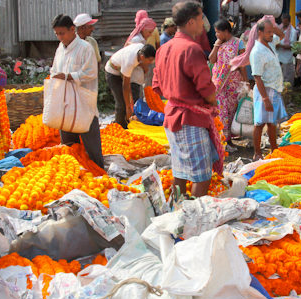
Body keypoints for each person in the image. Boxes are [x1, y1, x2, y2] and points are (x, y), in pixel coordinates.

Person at [153, 1, 224, 197]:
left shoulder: (164, 49)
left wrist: (176, 90)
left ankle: (177, 208)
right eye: (202, 17)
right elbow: (207, 91)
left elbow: (157, 87)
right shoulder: (191, 49)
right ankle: (194, 216)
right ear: (192, 22)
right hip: (190, 119)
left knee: (180, 171)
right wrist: (213, 101)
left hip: (172, 116)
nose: (204, 23)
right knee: (202, 176)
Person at [50, 14, 103, 168]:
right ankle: (73, 172)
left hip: (83, 102)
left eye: (62, 33)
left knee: (91, 143)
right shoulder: (60, 48)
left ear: (72, 29)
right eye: (57, 34)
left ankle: (98, 172)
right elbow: (54, 68)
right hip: (65, 102)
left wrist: (69, 76)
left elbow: (91, 73)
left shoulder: (85, 48)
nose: (60, 37)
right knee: (68, 144)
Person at [250, 19, 287, 161]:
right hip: (264, 90)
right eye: (268, 32)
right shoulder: (257, 51)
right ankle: (257, 153)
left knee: (272, 123)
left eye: (272, 32)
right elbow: (257, 77)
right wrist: (265, 99)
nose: (271, 34)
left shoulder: (270, 43)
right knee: (260, 123)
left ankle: (274, 149)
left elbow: (282, 36)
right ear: (259, 32)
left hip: (274, 88)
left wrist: (273, 26)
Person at [209, 19, 247, 149]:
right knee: (221, 111)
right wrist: (216, 45)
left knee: (231, 111)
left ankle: (228, 140)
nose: (216, 35)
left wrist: (246, 82)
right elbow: (212, 59)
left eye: (218, 32)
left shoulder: (238, 43)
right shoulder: (219, 43)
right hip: (218, 83)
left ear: (226, 31)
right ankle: (221, 140)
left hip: (233, 82)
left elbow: (242, 64)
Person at [105, 44, 156, 128]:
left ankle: (128, 123)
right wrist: (128, 107)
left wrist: (144, 66)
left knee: (133, 99)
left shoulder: (141, 47)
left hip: (122, 69)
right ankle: (120, 127)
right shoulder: (129, 62)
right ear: (142, 57)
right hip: (112, 72)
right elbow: (126, 86)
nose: (151, 62)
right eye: (150, 60)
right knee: (121, 103)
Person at [126, 10, 158, 98]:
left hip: (138, 76)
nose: (150, 35)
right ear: (143, 29)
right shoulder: (136, 40)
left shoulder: (141, 39)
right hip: (134, 77)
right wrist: (144, 66)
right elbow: (133, 59)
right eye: (149, 32)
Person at [276, 14, 298, 86]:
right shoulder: (279, 28)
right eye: (283, 22)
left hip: (287, 58)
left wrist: (281, 46)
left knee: (287, 79)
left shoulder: (293, 31)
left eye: (285, 22)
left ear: (289, 21)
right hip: (278, 57)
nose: (284, 23)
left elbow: (293, 47)